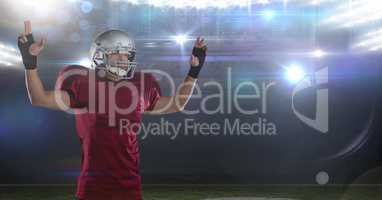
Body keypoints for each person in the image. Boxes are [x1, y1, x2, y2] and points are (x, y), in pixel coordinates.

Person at [17, 20, 207, 200]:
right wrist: (30, 62)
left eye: (126, 54)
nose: (123, 59)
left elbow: (177, 104)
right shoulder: (84, 83)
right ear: (99, 55)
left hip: (130, 187)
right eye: (116, 53)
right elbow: (39, 99)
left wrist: (194, 72)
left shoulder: (140, 86)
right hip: (93, 188)